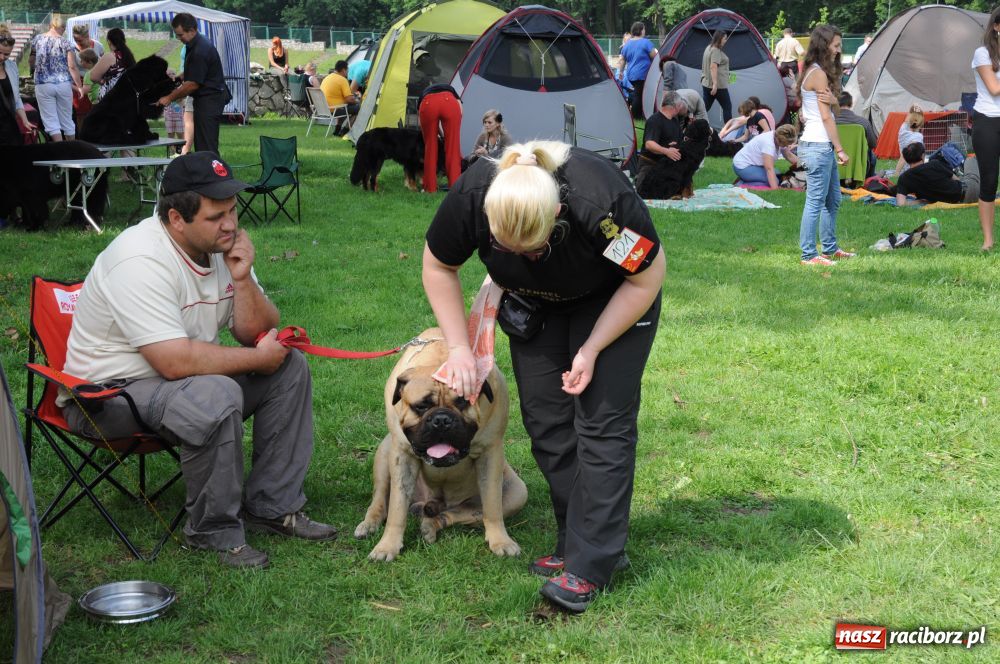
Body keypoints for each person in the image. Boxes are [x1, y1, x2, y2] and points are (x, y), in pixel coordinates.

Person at [60, 152, 337, 569]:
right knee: (217, 391)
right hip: (106, 397)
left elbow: (257, 331)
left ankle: (272, 507)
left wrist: (242, 280)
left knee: (288, 366)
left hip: (178, 385)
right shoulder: (139, 259)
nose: (230, 224)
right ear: (176, 219)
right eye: (216, 216)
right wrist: (253, 359)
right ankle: (213, 532)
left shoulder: (221, 247)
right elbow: (173, 362)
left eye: (232, 211)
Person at [422, 140, 664, 613]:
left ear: (557, 213)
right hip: (535, 305)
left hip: (614, 298)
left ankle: (593, 564)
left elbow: (646, 278)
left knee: (601, 424)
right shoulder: (473, 195)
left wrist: (592, 348)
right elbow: (438, 265)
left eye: (533, 248)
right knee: (548, 423)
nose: (526, 255)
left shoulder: (600, 204)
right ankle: (576, 540)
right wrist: (458, 348)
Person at [797, 24, 853, 266]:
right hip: (818, 145)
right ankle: (809, 255)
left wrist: (834, 102)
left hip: (820, 145)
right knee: (815, 200)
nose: (839, 50)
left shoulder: (815, 71)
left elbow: (829, 109)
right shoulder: (818, 73)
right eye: (836, 45)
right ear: (824, 45)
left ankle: (830, 248)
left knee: (833, 200)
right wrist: (840, 148)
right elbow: (826, 116)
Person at [157, 13, 231, 157]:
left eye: (180, 35)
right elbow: (196, 71)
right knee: (201, 142)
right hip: (205, 100)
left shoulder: (200, 50)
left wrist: (169, 98)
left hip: (210, 100)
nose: (179, 39)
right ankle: (205, 174)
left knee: (207, 145)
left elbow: (192, 85)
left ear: (191, 30)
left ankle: (213, 176)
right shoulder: (194, 44)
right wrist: (180, 77)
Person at [30, 14, 84, 142]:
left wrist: (34, 71)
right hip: (63, 84)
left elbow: (31, 60)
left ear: (50, 26)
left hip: (43, 84)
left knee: (51, 121)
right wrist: (79, 87)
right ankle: (73, 150)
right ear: (63, 27)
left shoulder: (37, 39)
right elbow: (72, 66)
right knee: (67, 120)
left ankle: (60, 151)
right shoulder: (65, 42)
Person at [972, 7, 1000, 251]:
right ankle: (988, 241)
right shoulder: (982, 53)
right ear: (997, 27)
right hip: (988, 120)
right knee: (990, 180)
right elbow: (994, 88)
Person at [634, 90, 687, 193]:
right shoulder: (654, 120)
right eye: (680, 105)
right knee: (646, 190)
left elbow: (679, 142)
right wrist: (667, 151)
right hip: (650, 164)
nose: (680, 107)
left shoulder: (674, 121)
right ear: (675, 107)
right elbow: (649, 144)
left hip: (667, 165)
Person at [895, 142, 980, 205]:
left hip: (957, 201)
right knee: (970, 160)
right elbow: (957, 180)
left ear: (906, 160)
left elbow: (901, 204)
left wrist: (920, 201)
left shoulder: (904, 178)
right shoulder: (934, 164)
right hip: (971, 192)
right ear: (922, 156)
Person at [417, 83, 462, 193]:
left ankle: (430, 188)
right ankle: (455, 187)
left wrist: (439, 134)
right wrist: (448, 135)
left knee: (430, 148)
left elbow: (420, 122)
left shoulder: (423, 95)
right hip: (450, 102)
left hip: (428, 103)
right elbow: (461, 111)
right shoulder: (452, 92)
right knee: (453, 148)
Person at [0, 26, 37, 146]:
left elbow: (16, 98)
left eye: (6, 54)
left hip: (7, 122)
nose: (2, 57)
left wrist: (25, 120)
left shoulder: (12, 66)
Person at [732, 124, 800, 188]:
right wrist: (776, 189)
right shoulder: (768, 143)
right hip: (742, 166)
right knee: (773, 182)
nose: (788, 146)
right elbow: (769, 169)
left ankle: (746, 178)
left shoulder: (778, 137)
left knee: (777, 173)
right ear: (780, 141)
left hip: (753, 165)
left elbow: (789, 156)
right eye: (787, 144)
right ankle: (741, 183)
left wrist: (804, 165)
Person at [835, 91, 878, 178]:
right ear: (851, 104)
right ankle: (870, 177)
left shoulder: (830, 124)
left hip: (835, 161)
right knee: (872, 155)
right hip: (858, 162)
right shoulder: (863, 122)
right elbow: (873, 144)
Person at [620, 22, 657, 120]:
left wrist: (620, 72)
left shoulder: (627, 44)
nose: (645, 31)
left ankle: (639, 115)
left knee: (638, 93)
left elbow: (623, 59)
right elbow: (655, 56)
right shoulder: (646, 42)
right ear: (640, 30)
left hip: (631, 75)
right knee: (639, 95)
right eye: (644, 29)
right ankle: (636, 116)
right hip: (642, 75)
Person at [89, 27, 135, 101]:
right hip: (127, 96)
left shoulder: (110, 56)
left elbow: (93, 76)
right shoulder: (129, 56)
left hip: (111, 98)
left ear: (109, 41)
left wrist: (102, 81)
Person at [319, 60, 359, 135]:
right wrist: (358, 101)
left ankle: (337, 130)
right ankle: (345, 131)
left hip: (323, 108)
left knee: (345, 107)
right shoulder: (342, 80)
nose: (347, 72)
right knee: (358, 108)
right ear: (344, 70)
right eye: (347, 70)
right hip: (334, 109)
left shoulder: (327, 77)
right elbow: (349, 99)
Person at [701, 30, 733, 123]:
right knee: (727, 107)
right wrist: (715, 84)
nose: (726, 40)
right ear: (719, 38)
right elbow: (713, 66)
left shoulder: (708, 48)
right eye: (725, 38)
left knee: (703, 108)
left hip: (706, 84)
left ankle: (690, 123)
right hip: (718, 86)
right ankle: (728, 132)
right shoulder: (715, 51)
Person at [894, 104, 925, 176]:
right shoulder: (917, 136)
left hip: (908, 165)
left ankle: (897, 172)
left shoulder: (903, 127)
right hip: (912, 167)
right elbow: (904, 157)